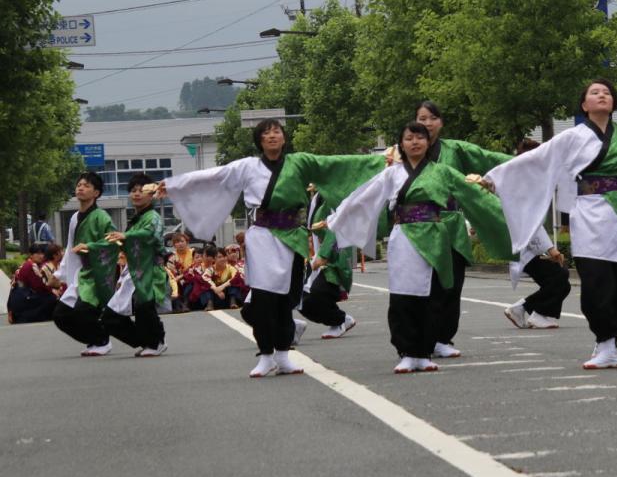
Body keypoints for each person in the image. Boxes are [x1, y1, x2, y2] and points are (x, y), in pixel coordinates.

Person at [481, 79, 617, 369]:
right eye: (595, 93)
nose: (601, 96)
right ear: (584, 104)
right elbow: (536, 159)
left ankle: (612, 343)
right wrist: (495, 177)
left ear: (614, 101)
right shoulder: (572, 137)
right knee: (596, 283)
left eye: (606, 92)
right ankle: (604, 342)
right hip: (590, 213)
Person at [161, 118, 385, 378]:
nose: (272, 136)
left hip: (291, 237)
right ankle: (266, 355)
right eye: (266, 133)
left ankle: (282, 354)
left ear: (284, 137)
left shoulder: (299, 162)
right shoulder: (248, 166)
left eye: (276, 131)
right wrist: (172, 185)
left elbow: (337, 164)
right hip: (263, 238)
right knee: (265, 301)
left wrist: (382, 161)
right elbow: (213, 176)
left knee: (286, 300)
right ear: (259, 140)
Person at [324, 122, 512, 374]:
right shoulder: (392, 174)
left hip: (435, 237)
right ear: (401, 144)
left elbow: (473, 194)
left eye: (420, 137)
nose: (415, 142)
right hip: (404, 237)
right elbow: (364, 197)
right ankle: (406, 351)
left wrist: (488, 184)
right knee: (403, 295)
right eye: (409, 138)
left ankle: (423, 351)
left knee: (431, 296)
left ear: (428, 143)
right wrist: (337, 219)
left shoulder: (443, 172)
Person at [413, 100, 515, 357]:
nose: (427, 124)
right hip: (418, 227)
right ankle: (418, 339)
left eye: (432, 118)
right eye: (422, 118)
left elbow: (489, 158)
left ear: (441, 123)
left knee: (451, 285)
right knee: (421, 286)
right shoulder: (403, 154)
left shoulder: (455, 150)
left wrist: (529, 161)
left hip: (451, 226)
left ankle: (443, 338)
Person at [502, 139, 570, 331]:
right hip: (525, 246)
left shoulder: (530, 181)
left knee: (561, 282)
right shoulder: (521, 185)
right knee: (559, 277)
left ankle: (524, 309)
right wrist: (550, 249)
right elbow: (529, 221)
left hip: (527, 245)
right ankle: (536, 313)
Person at [51, 172, 120, 356]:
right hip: (80, 274)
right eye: (79, 184)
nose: (80, 188)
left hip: (97, 273)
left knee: (83, 311)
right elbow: (70, 248)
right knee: (60, 315)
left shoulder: (101, 217)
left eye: (86, 185)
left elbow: (114, 243)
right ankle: (95, 339)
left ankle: (101, 340)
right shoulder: (74, 218)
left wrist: (91, 247)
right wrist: (59, 275)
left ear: (96, 193)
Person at [102, 173, 169, 356]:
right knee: (113, 315)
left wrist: (127, 236)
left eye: (141, 190)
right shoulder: (137, 218)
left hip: (149, 270)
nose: (136, 194)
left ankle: (154, 343)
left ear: (152, 194)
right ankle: (152, 341)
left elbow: (149, 235)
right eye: (133, 190)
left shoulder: (153, 217)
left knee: (144, 309)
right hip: (135, 271)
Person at [298, 186, 359, 339]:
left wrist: (324, 255)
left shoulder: (336, 195)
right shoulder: (317, 198)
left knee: (318, 293)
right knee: (302, 302)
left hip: (335, 256)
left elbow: (336, 228)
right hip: (318, 254)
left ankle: (339, 321)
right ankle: (340, 319)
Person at [7, 244, 58, 324]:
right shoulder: (31, 265)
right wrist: (53, 291)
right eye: (37, 253)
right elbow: (38, 286)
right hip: (23, 298)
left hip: (17, 298)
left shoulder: (26, 264)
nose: (41, 256)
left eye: (42, 253)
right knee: (51, 298)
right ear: (30, 255)